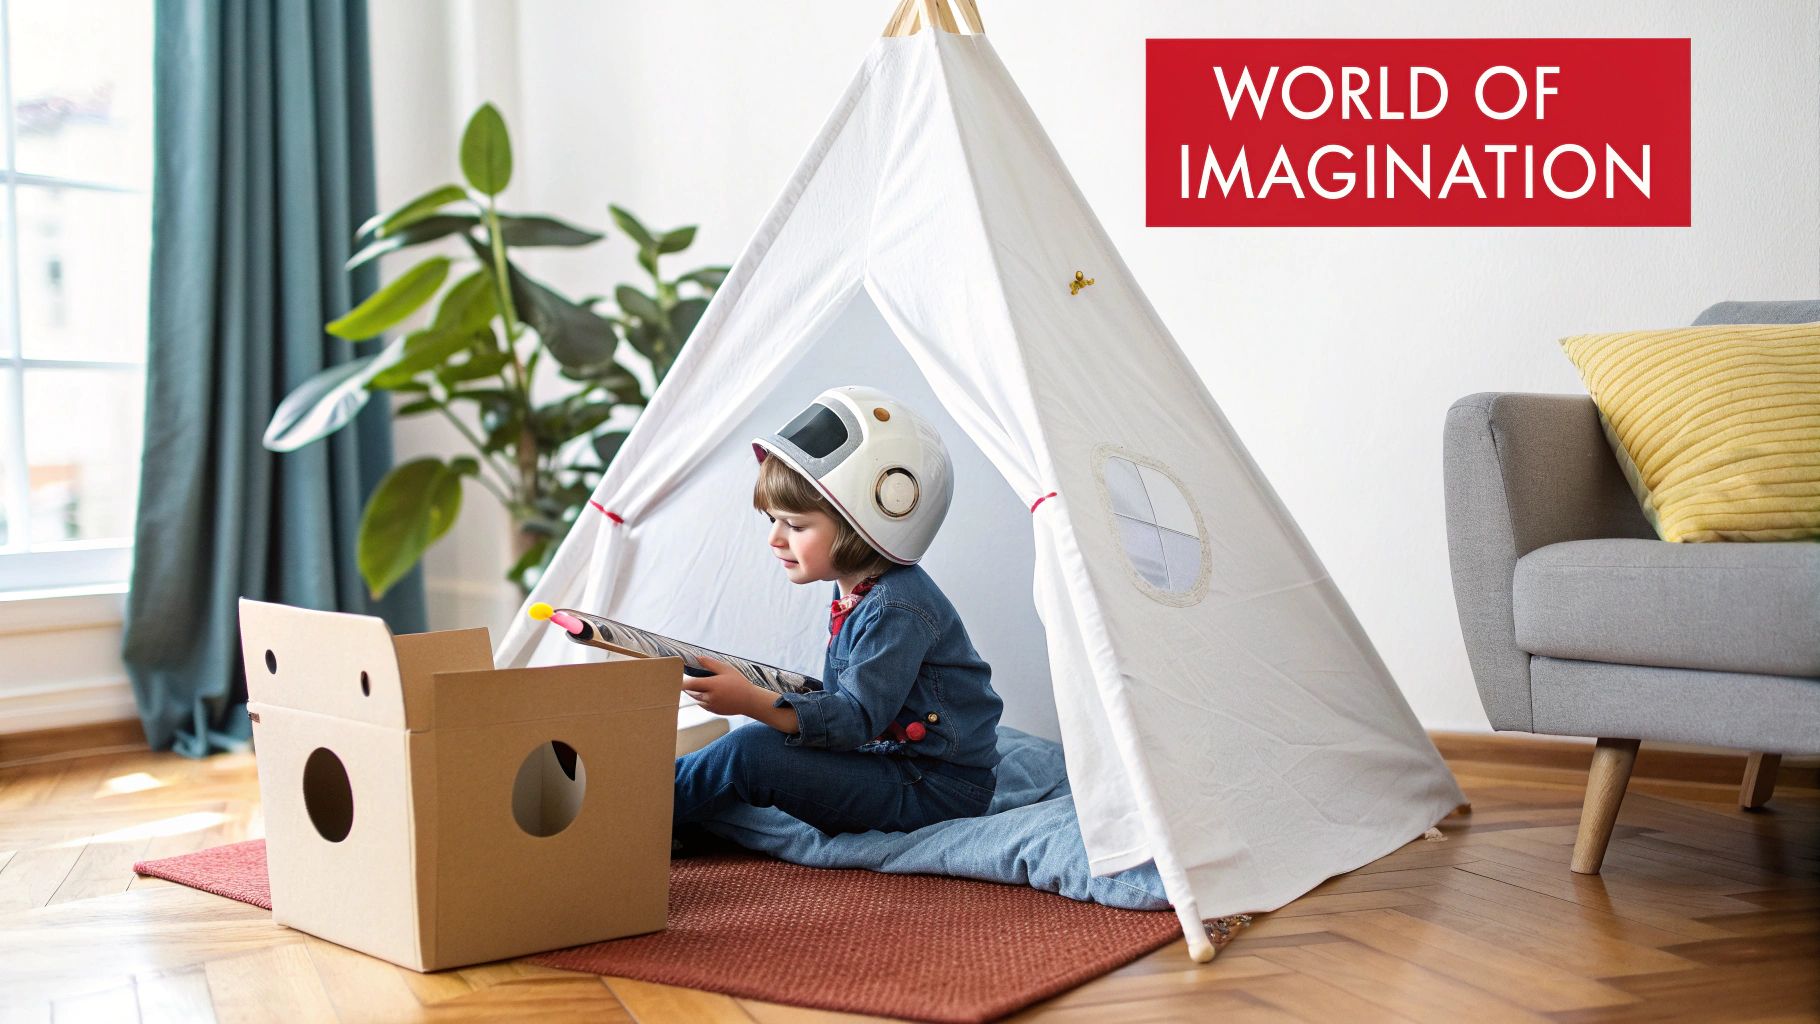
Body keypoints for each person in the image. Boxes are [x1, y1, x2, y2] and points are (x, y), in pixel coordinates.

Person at [672, 385, 1004, 838]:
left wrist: (750, 702)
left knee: (750, 753)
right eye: (774, 521)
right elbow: (850, 698)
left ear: (866, 522)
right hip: (893, 763)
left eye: (796, 524)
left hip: (934, 789)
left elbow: (854, 720)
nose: (775, 538)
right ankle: (660, 802)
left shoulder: (897, 607)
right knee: (745, 749)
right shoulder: (857, 589)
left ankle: (628, 822)